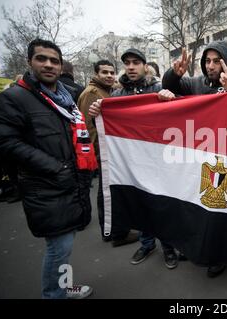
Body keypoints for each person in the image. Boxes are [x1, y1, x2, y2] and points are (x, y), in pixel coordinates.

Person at [0, 38, 96, 299]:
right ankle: (54, 294)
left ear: (61, 66)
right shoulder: (14, 98)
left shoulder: (65, 97)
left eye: (55, 60)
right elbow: (4, 142)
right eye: (42, 59)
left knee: (65, 246)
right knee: (58, 248)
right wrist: (54, 167)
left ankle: (63, 286)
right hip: (46, 187)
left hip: (69, 184)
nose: (49, 65)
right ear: (30, 62)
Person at [88, 48, 179, 269]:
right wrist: (97, 115)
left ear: (145, 65)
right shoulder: (117, 96)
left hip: (159, 160)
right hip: (133, 163)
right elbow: (105, 129)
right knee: (141, 204)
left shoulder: (158, 89)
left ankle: (168, 247)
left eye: (135, 62)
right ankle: (147, 244)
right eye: (127, 63)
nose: (130, 66)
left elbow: (176, 117)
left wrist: (171, 98)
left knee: (161, 204)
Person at [161, 41, 227, 278]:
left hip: (225, 161)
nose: (211, 66)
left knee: (218, 212)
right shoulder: (195, 83)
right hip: (197, 160)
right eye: (207, 61)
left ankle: (218, 257)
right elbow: (170, 85)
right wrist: (173, 75)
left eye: (217, 60)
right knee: (197, 209)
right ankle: (196, 249)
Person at [77, 60, 116, 242]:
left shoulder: (105, 91)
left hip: (109, 149)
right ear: (96, 74)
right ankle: (108, 231)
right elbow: (90, 127)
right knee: (105, 190)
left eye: (111, 72)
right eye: (105, 72)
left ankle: (111, 228)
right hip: (102, 151)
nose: (109, 76)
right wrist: (98, 153)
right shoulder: (91, 94)